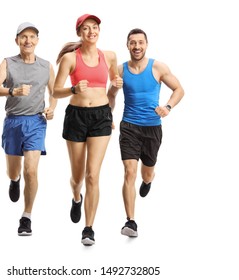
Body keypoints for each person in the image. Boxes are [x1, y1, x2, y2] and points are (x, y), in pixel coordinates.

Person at [107, 28, 184, 237]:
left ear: (146, 44)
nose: (137, 47)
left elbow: (179, 89)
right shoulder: (121, 71)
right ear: (127, 46)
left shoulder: (158, 67)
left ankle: (148, 181)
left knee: (146, 172)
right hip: (129, 126)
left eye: (140, 42)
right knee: (129, 172)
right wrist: (109, 113)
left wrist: (167, 107)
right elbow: (110, 96)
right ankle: (130, 222)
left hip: (152, 127)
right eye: (133, 43)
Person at [53, 14, 123, 246]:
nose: (91, 31)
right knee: (78, 176)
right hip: (76, 117)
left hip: (101, 117)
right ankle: (76, 196)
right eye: (86, 28)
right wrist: (73, 88)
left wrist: (116, 86)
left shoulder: (110, 56)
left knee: (93, 174)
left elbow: (113, 85)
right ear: (79, 33)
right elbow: (55, 91)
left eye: (95, 27)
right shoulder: (70, 59)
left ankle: (89, 228)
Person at [0, 22, 57, 236]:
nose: (28, 41)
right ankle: (14, 180)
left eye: (32, 37)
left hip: (36, 122)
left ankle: (26, 217)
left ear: (37, 40)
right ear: (17, 40)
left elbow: (54, 92)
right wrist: (13, 91)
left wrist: (52, 108)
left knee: (31, 170)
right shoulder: (8, 63)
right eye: (23, 37)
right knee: (14, 170)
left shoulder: (46, 66)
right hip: (13, 121)